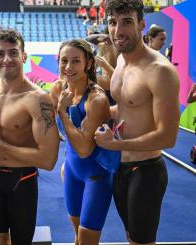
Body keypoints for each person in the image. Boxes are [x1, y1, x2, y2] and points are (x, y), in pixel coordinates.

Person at [94, 0, 180, 244]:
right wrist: (87, 111)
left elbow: (168, 137)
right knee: (131, 236)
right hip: (119, 168)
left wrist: (113, 145)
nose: (118, 31)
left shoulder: (160, 71)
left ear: (142, 25)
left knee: (142, 241)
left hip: (146, 170)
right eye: (113, 22)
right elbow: (123, 109)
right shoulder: (121, 61)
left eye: (127, 22)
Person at [0, 28, 60, 244]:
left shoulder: (38, 99)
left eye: (13, 52)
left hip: (22, 180)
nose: (7, 59)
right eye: (0, 54)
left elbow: (48, 160)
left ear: (23, 56)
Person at [50, 39, 119, 245]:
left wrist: (62, 112)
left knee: (88, 239)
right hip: (72, 170)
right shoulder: (57, 88)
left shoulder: (96, 99)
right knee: (77, 235)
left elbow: (83, 149)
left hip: (95, 175)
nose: (68, 67)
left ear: (88, 64)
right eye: (64, 61)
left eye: (76, 61)